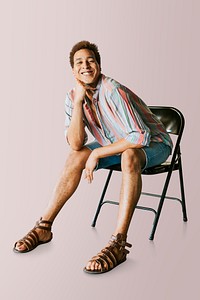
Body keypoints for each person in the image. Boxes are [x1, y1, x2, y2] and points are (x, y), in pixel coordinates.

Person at [14, 40, 172, 274]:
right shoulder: (72, 96)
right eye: (79, 62)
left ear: (98, 65)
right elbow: (76, 142)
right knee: (76, 156)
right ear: (73, 70)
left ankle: (118, 243)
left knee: (129, 156)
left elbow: (139, 137)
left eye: (91, 60)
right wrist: (78, 102)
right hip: (117, 141)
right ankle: (44, 227)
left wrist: (97, 152)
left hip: (155, 143)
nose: (86, 66)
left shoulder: (112, 90)